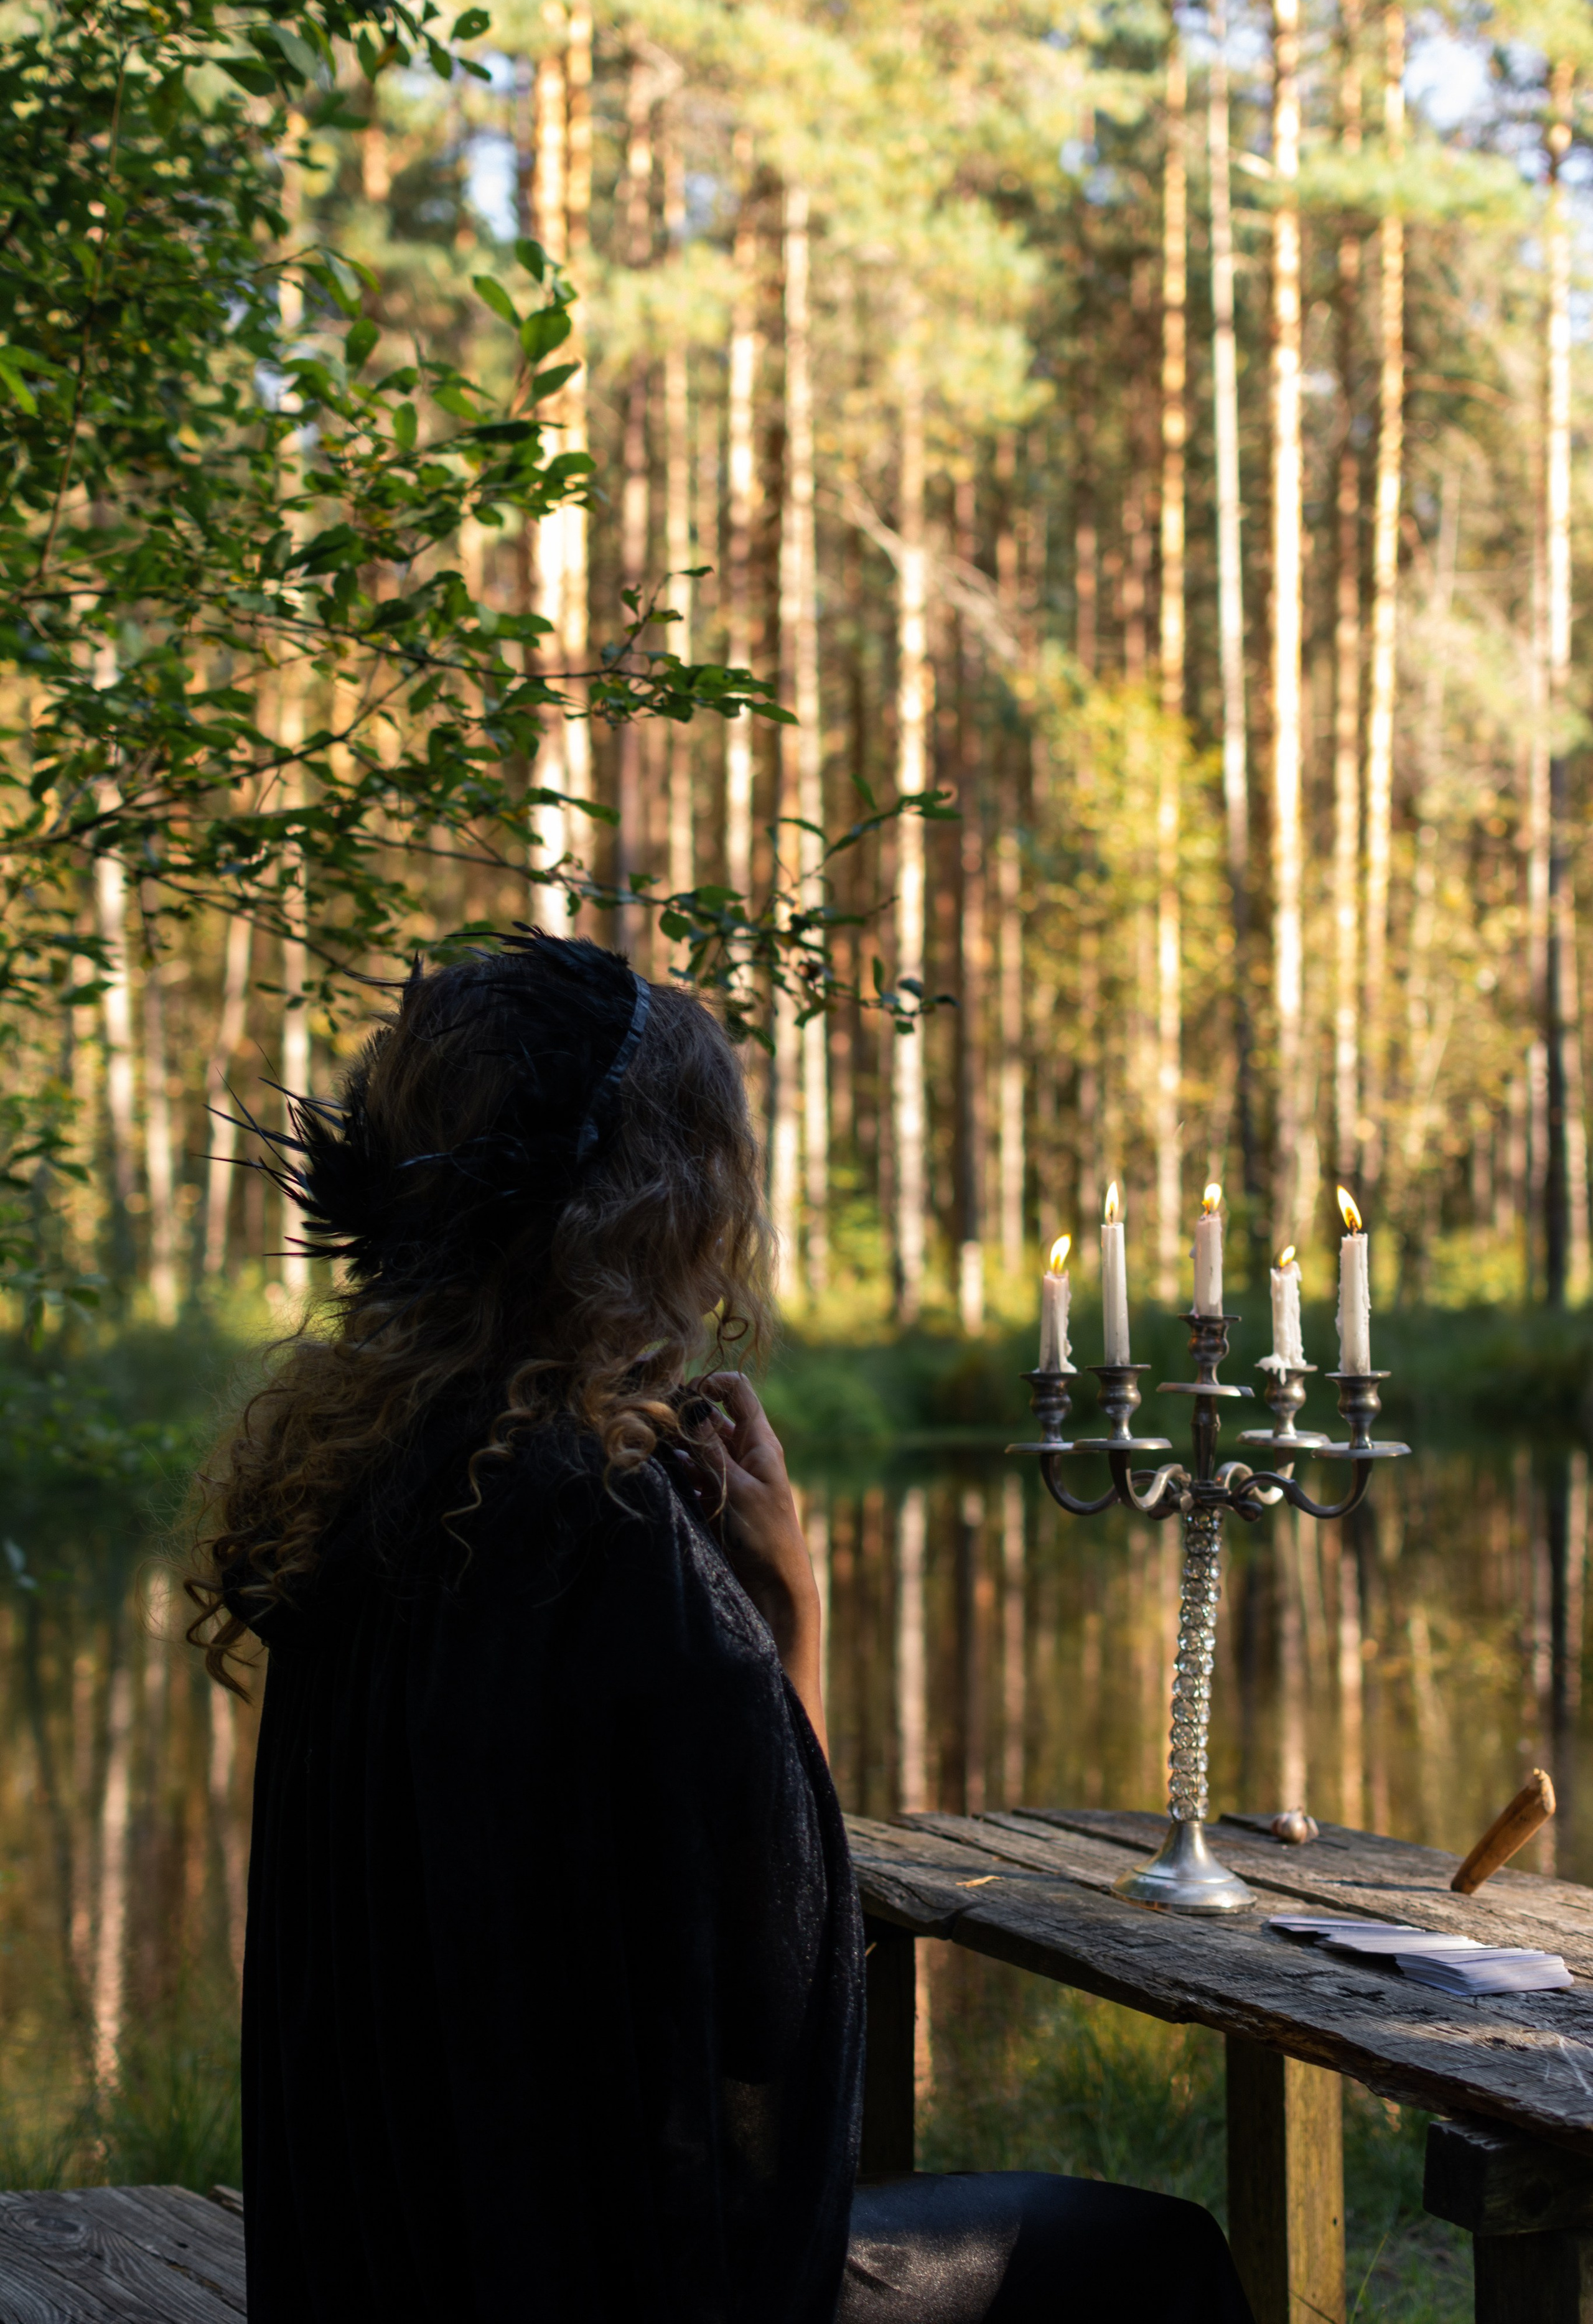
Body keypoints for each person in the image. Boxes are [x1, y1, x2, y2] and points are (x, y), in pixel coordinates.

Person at [186, 933, 1253, 2324]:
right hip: (596, 2270)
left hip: (383, 2255)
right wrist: (786, 1612)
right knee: (1145, 2263)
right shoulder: (601, 1530)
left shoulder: (355, 1490)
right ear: (658, 1208)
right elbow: (774, 1994)